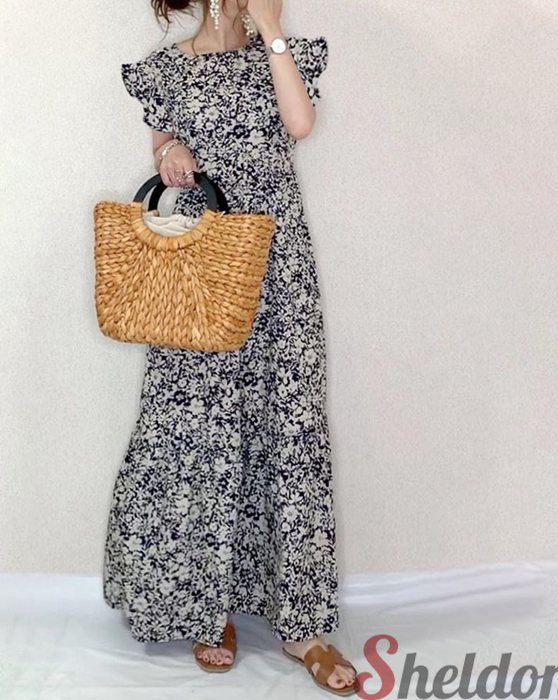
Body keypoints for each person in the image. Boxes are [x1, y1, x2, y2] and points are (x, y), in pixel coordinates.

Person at [102, 0, 359, 694]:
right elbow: (160, 142)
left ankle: (302, 626)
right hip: (201, 267)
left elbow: (300, 125)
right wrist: (170, 152)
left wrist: (271, 30)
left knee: (288, 424)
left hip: (277, 264)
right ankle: (206, 608)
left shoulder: (279, 53)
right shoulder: (167, 69)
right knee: (198, 428)